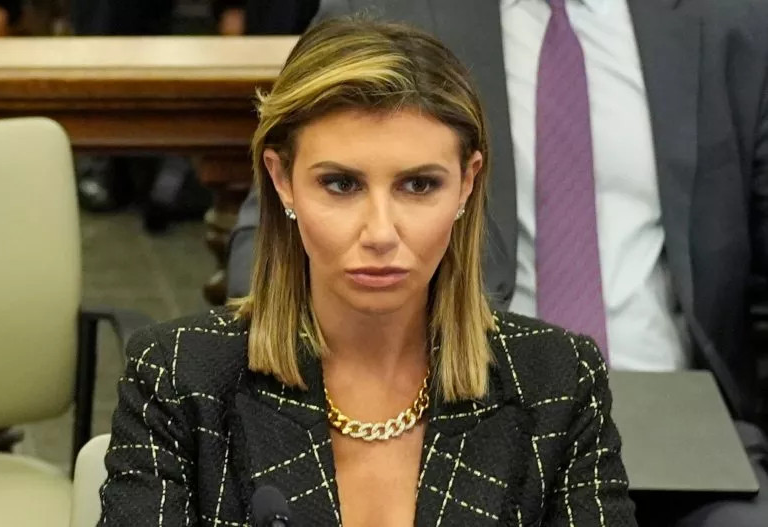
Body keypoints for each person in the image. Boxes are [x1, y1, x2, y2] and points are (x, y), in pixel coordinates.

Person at [225, 2, 768, 524]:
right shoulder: (381, 7)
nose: (380, 229)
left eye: (419, 186)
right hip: (461, 397)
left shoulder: (733, 19)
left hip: (684, 417)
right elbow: (273, 233)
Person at [99, 17, 636, 526]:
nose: (380, 232)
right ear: (282, 181)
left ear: (467, 184)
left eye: (418, 185)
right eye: (341, 185)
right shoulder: (177, 377)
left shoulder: (558, 381)